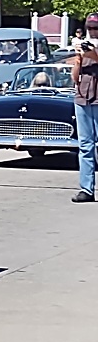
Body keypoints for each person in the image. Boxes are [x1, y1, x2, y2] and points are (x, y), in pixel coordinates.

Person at [72, 13, 98, 203]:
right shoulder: (85, 46)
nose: (93, 31)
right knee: (85, 146)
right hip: (83, 98)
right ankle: (86, 189)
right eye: (90, 28)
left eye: (96, 28)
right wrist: (79, 58)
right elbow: (75, 77)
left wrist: (93, 54)